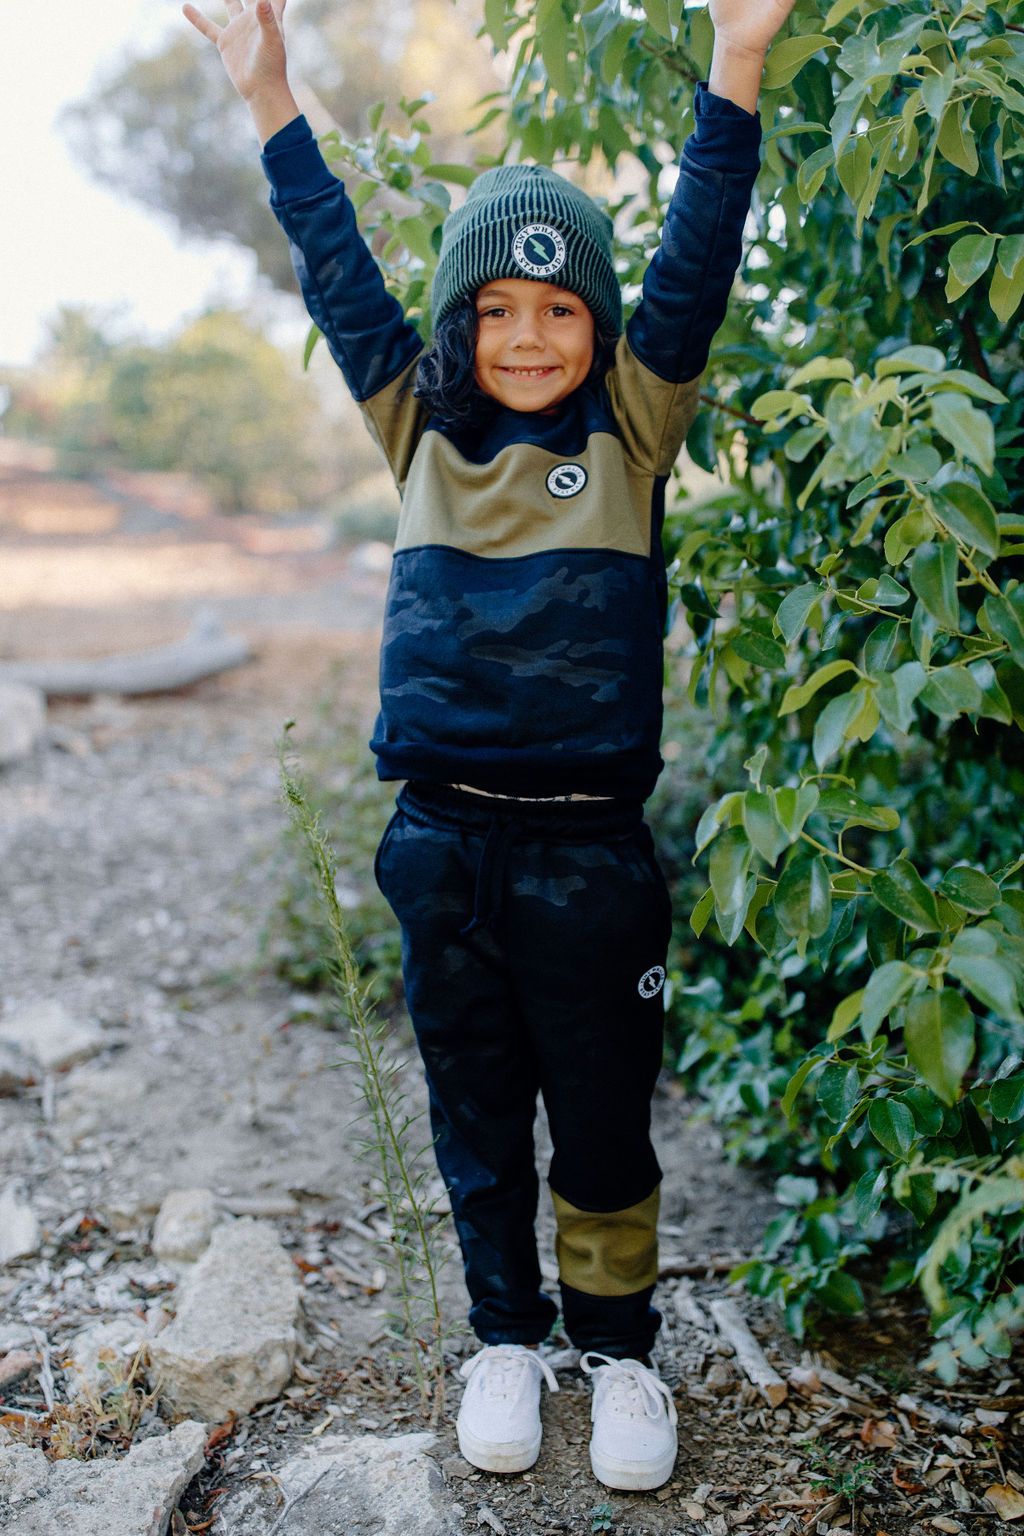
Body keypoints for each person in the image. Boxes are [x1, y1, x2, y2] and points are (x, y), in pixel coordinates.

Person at [184, 0, 795, 1493]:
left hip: (591, 853)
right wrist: (268, 90)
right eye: (499, 311)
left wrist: (738, 61)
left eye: (560, 311)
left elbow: (696, 259)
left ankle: (621, 1350)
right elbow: (335, 261)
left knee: (603, 1118)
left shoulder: (634, 429)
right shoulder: (418, 428)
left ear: (599, 329)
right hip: (441, 844)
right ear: (460, 326)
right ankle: (505, 1339)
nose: (528, 337)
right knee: (473, 1111)